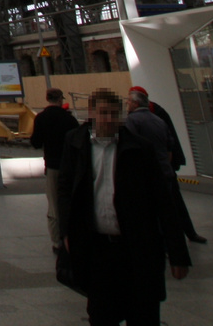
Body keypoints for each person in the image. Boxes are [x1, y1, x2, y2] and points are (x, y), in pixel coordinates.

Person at [59, 89, 191, 326]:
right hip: (99, 250)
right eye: (103, 113)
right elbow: (66, 190)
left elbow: (163, 201)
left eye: (113, 114)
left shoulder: (140, 148)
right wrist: (66, 231)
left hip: (138, 248)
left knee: (143, 314)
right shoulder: (76, 143)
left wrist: (178, 254)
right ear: (91, 114)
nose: (108, 119)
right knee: (101, 316)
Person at [125, 87, 205, 244]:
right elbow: (170, 141)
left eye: (128, 100)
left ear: (135, 102)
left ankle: (169, 239)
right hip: (164, 167)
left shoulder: (140, 117)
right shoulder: (157, 115)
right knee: (172, 203)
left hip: (154, 168)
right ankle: (183, 235)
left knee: (162, 206)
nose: (126, 103)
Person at [30, 87, 80, 250]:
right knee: (72, 200)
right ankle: (72, 236)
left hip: (52, 165)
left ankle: (56, 241)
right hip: (71, 166)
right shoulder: (69, 119)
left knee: (53, 203)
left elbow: (36, 142)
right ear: (60, 100)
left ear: (47, 99)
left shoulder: (41, 118)